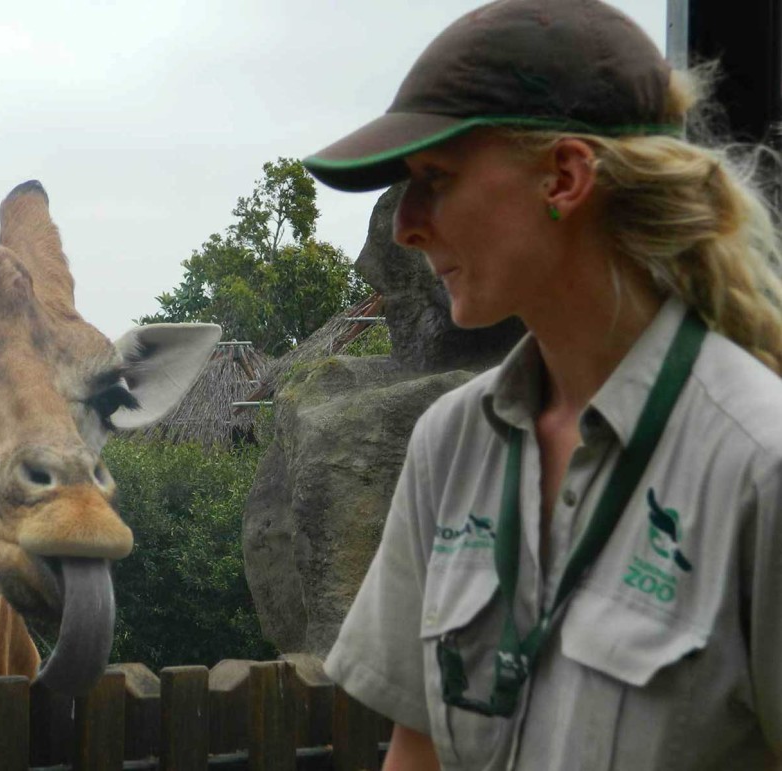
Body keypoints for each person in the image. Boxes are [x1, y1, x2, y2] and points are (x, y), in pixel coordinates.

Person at [302, 1, 782, 769]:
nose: (405, 226)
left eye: (435, 178)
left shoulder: (758, 464)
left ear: (563, 177)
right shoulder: (449, 444)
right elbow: (415, 752)